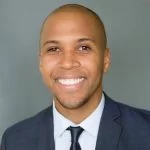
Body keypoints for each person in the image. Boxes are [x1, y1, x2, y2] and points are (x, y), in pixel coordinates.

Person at [1, 4, 150, 150]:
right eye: (54, 49)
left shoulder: (145, 133)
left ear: (105, 59)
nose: (67, 63)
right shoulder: (14, 140)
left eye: (83, 48)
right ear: (41, 62)